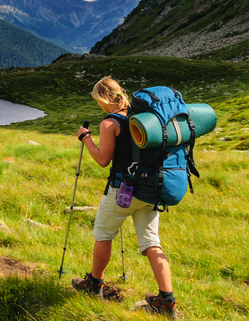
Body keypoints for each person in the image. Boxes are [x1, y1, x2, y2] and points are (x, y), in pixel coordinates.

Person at [72, 77, 177, 318]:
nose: (98, 105)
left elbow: (102, 160)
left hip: (122, 191)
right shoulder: (144, 117)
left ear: (103, 98)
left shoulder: (110, 122)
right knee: (151, 242)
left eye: (97, 100)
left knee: (103, 234)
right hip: (150, 189)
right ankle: (167, 301)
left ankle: (94, 285)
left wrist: (85, 137)